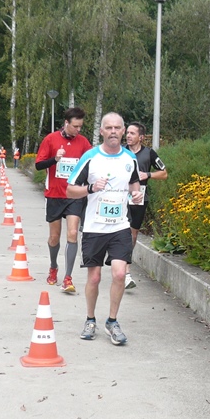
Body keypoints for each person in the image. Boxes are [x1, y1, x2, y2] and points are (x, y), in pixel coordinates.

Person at [66, 112, 143, 346]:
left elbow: (134, 182)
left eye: (117, 128)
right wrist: (90, 188)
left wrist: (136, 194)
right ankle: (90, 320)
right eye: (108, 128)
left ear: (123, 131)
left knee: (119, 274)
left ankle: (112, 321)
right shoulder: (90, 157)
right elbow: (70, 190)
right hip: (94, 228)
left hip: (120, 226)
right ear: (101, 131)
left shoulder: (130, 158)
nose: (113, 132)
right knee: (95, 277)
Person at [34, 107, 92, 294]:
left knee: (73, 233)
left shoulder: (83, 142)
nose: (78, 130)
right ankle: (53, 267)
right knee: (54, 237)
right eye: (75, 126)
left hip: (74, 196)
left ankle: (68, 277)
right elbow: (38, 165)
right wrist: (55, 159)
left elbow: (92, 164)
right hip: (54, 195)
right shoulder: (50, 139)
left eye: (81, 126)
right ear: (66, 123)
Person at [122, 121, 168, 289]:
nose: (128, 136)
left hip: (140, 198)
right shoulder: (120, 151)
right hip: (121, 196)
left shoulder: (149, 153)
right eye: (127, 133)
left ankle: (124, 265)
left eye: (132, 133)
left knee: (133, 235)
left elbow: (164, 173)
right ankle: (125, 272)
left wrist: (148, 174)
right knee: (124, 232)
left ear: (141, 137)